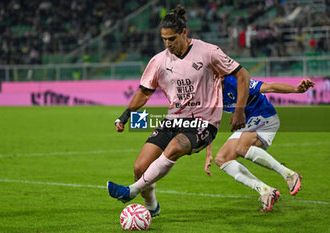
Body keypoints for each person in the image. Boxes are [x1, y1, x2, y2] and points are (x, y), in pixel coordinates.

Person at [107, 5, 251, 217]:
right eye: (164, 39)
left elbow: (243, 75)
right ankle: (152, 207)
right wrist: (126, 114)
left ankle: (131, 191)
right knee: (140, 168)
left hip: (204, 123)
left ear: (184, 33)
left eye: (172, 39)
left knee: (174, 148)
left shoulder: (208, 52)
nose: (168, 44)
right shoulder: (158, 61)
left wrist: (239, 110)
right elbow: (144, 92)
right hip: (174, 120)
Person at [205, 76, 315, 212]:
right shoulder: (210, 95)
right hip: (248, 123)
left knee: (241, 148)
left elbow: (269, 87)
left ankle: (289, 174)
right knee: (222, 158)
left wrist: (296, 89)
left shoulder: (235, 82)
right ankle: (265, 191)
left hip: (265, 117)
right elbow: (210, 123)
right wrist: (208, 154)